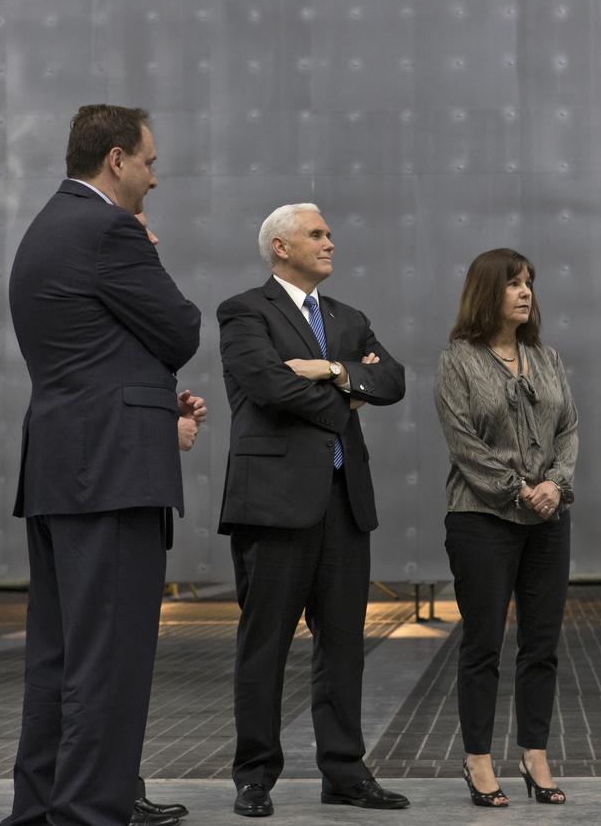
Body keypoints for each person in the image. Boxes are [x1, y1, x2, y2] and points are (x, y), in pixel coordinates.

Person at [4, 104, 204, 826]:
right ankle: (89, 811)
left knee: (57, 659)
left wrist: (153, 401)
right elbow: (181, 327)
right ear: (116, 160)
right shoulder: (111, 230)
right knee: (108, 659)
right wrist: (147, 250)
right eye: (149, 162)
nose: (155, 177)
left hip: (61, 465)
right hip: (112, 475)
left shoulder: (45, 229)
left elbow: (89, 350)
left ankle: (43, 806)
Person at [216, 203, 408, 817]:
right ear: (280, 246)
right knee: (263, 644)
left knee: (344, 643)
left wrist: (330, 369)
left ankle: (344, 773)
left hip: (343, 503)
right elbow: (269, 386)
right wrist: (348, 397)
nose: (331, 241)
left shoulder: (348, 319)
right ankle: (254, 777)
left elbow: (395, 380)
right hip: (272, 505)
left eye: (328, 232)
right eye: (317, 234)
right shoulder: (245, 311)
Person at [434, 248, 578, 808]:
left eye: (529, 284)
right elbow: (463, 441)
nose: (525, 292)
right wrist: (518, 488)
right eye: (513, 284)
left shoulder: (547, 357)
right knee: (483, 643)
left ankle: (534, 753)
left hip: (548, 517)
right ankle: (477, 758)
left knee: (541, 644)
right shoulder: (457, 360)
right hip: (481, 517)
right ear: (485, 292)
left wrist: (556, 485)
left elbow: (569, 428)